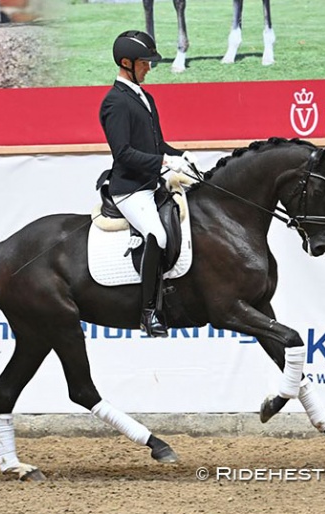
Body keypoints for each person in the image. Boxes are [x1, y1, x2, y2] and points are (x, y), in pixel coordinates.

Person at [98, 30, 202, 338]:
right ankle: (148, 311)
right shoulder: (115, 102)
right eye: (145, 62)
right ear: (127, 63)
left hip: (151, 182)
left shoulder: (145, 96)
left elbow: (156, 142)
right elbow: (124, 153)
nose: (149, 68)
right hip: (130, 188)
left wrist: (177, 154)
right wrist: (162, 163)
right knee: (156, 234)